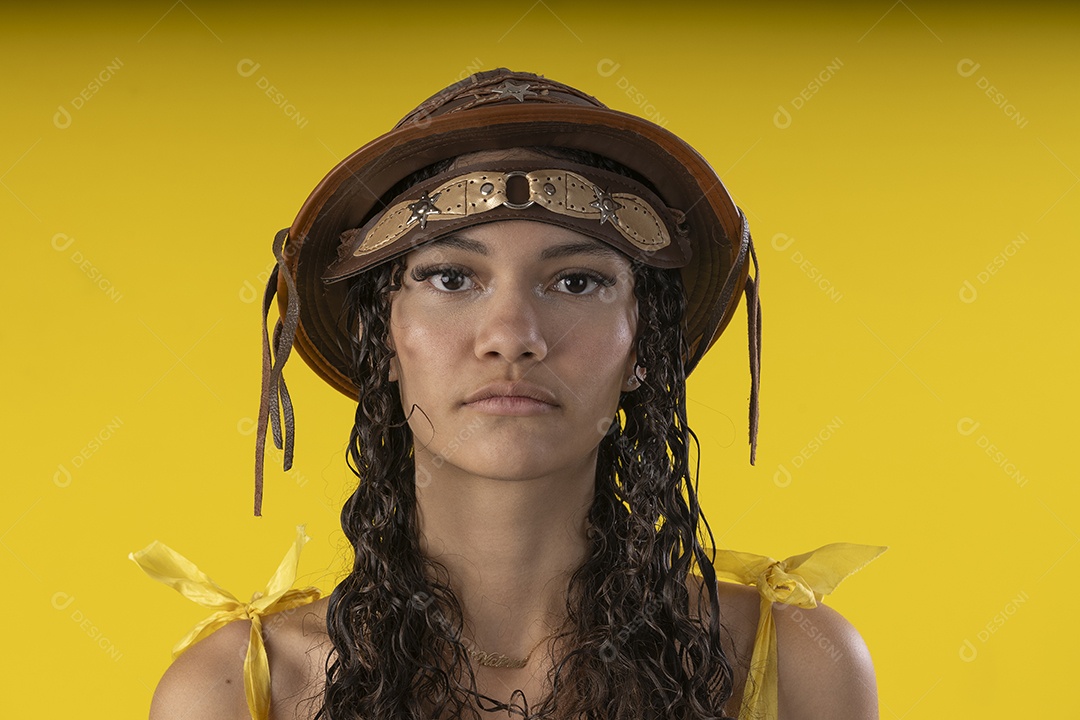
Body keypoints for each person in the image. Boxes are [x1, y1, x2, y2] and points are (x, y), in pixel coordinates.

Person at [135, 69, 885, 720]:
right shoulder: (239, 689)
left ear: (644, 349)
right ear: (385, 340)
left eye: (577, 281)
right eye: (452, 278)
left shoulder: (791, 663)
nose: (513, 335)